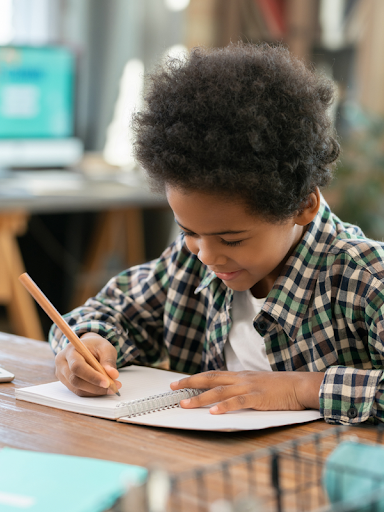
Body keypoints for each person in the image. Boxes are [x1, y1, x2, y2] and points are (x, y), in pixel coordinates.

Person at [50, 42, 384, 425]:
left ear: (301, 207)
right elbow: (103, 313)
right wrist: (87, 347)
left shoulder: (367, 278)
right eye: (189, 231)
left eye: (232, 240)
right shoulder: (189, 263)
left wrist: (301, 389)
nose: (207, 256)